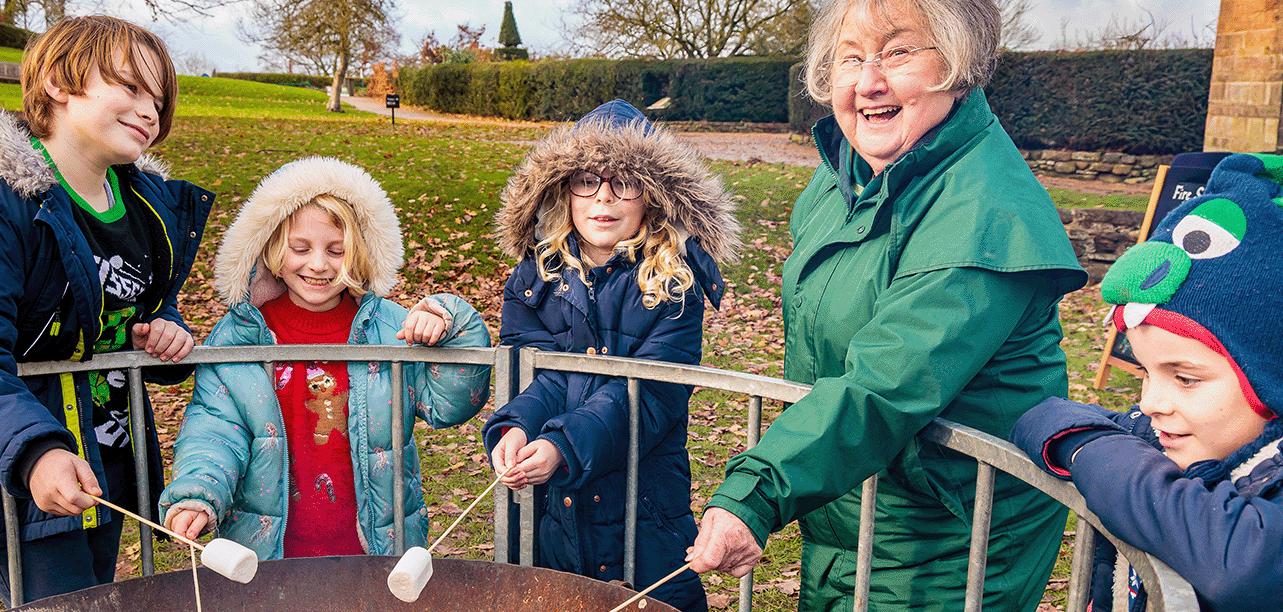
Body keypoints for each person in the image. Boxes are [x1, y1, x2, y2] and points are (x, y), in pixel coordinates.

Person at [684, 0, 1089, 609]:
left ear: (958, 63)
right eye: (850, 58)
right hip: (857, 497)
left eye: (898, 52)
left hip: (949, 538)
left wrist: (759, 490)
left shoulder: (983, 213)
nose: (867, 82)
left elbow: (886, 381)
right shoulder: (847, 176)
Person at [0, 15, 212, 604]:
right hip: (22, 470)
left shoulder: (147, 206)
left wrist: (169, 332)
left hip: (107, 459)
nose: (150, 110)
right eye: (130, 87)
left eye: (158, 98)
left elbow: (143, 304)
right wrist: (35, 450)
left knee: (99, 596)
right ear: (56, 82)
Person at [158, 156, 492, 559]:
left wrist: (451, 324)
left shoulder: (389, 329)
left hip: (375, 551)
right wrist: (198, 492)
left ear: (360, 252)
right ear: (271, 250)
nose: (318, 265)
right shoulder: (239, 336)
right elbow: (215, 428)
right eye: (300, 248)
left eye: (337, 250)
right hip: (267, 556)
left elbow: (450, 404)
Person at [484, 99, 740, 612]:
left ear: (652, 196)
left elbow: (649, 397)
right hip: (556, 511)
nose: (604, 197)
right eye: (586, 180)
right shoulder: (534, 279)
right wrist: (516, 425)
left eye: (624, 182)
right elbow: (539, 376)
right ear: (563, 191)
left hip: (644, 511)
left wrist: (564, 445)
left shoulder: (674, 284)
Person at [1011, 152, 1283, 612]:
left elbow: (1243, 565)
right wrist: (1094, 443)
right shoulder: (1168, 435)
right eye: (1144, 371)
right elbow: (1043, 417)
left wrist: (1093, 454)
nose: (1152, 403)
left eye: (1185, 378)